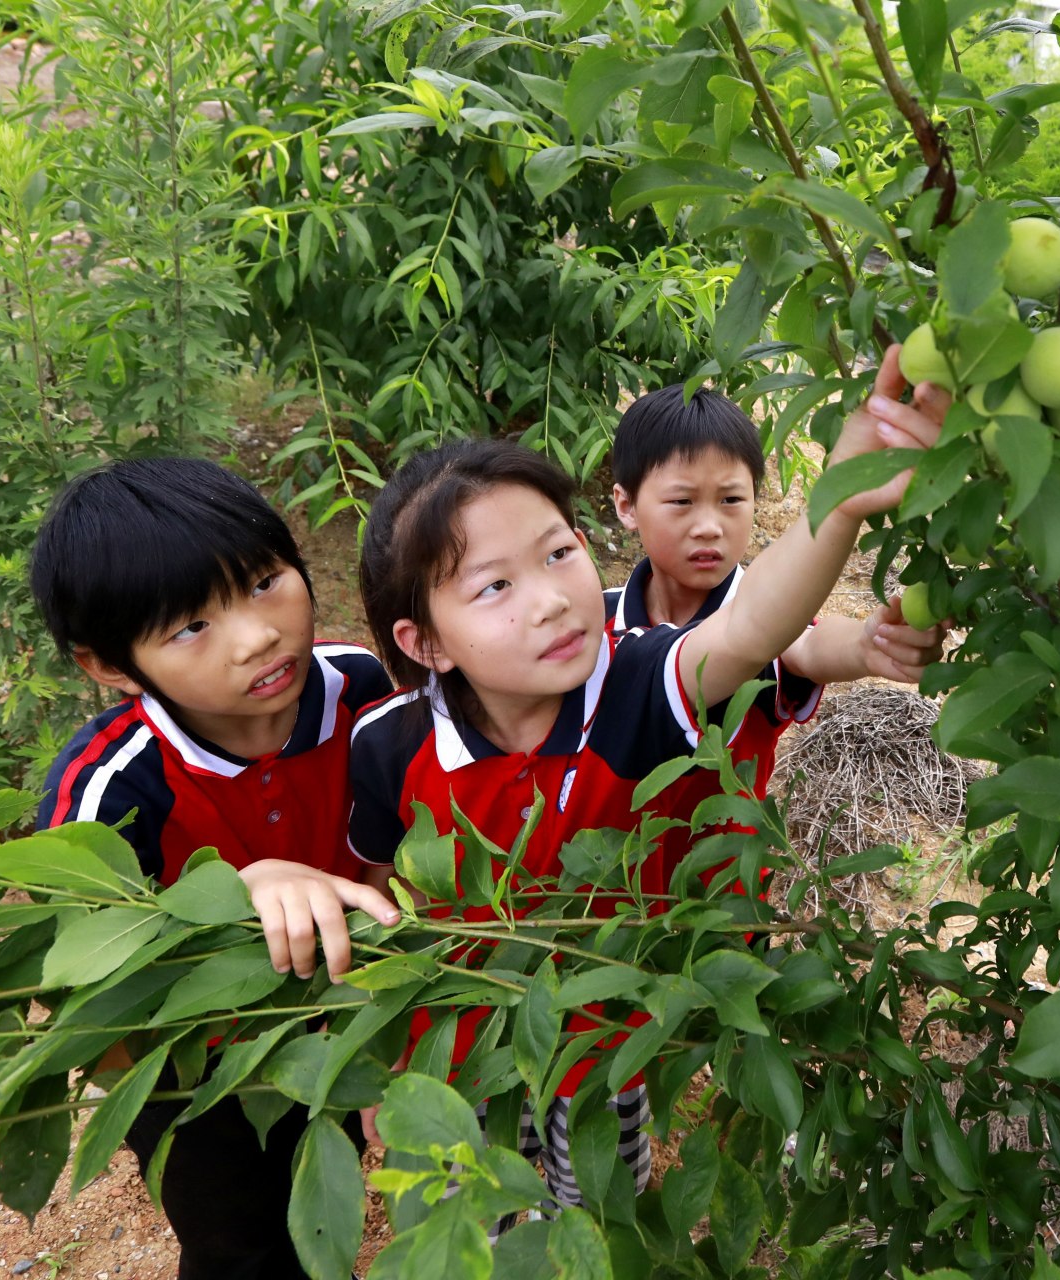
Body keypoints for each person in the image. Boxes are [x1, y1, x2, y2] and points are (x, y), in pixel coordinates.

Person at [346, 345, 945, 1233]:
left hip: (605, 1036)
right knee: (469, 1223)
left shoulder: (634, 684)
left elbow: (749, 627)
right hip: (461, 1046)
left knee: (596, 1209)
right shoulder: (390, 745)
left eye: (557, 554)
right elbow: (367, 891)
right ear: (426, 642)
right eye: (495, 586)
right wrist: (376, 1041)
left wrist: (843, 498)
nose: (549, 600)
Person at [33, 456, 400, 1280]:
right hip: (194, 1074)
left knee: (321, 1182)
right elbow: (76, 976)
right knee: (238, 1238)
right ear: (111, 666)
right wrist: (233, 895)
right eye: (190, 627)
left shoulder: (363, 690)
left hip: (334, 1018)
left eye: (266, 581)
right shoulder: (108, 790)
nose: (257, 635)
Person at [605, 382, 946, 898]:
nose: (709, 526)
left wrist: (863, 646)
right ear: (626, 506)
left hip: (721, 908)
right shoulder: (596, 621)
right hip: (602, 897)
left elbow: (806, 646)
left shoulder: (765, 616)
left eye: (731, 500)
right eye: (681, 501)